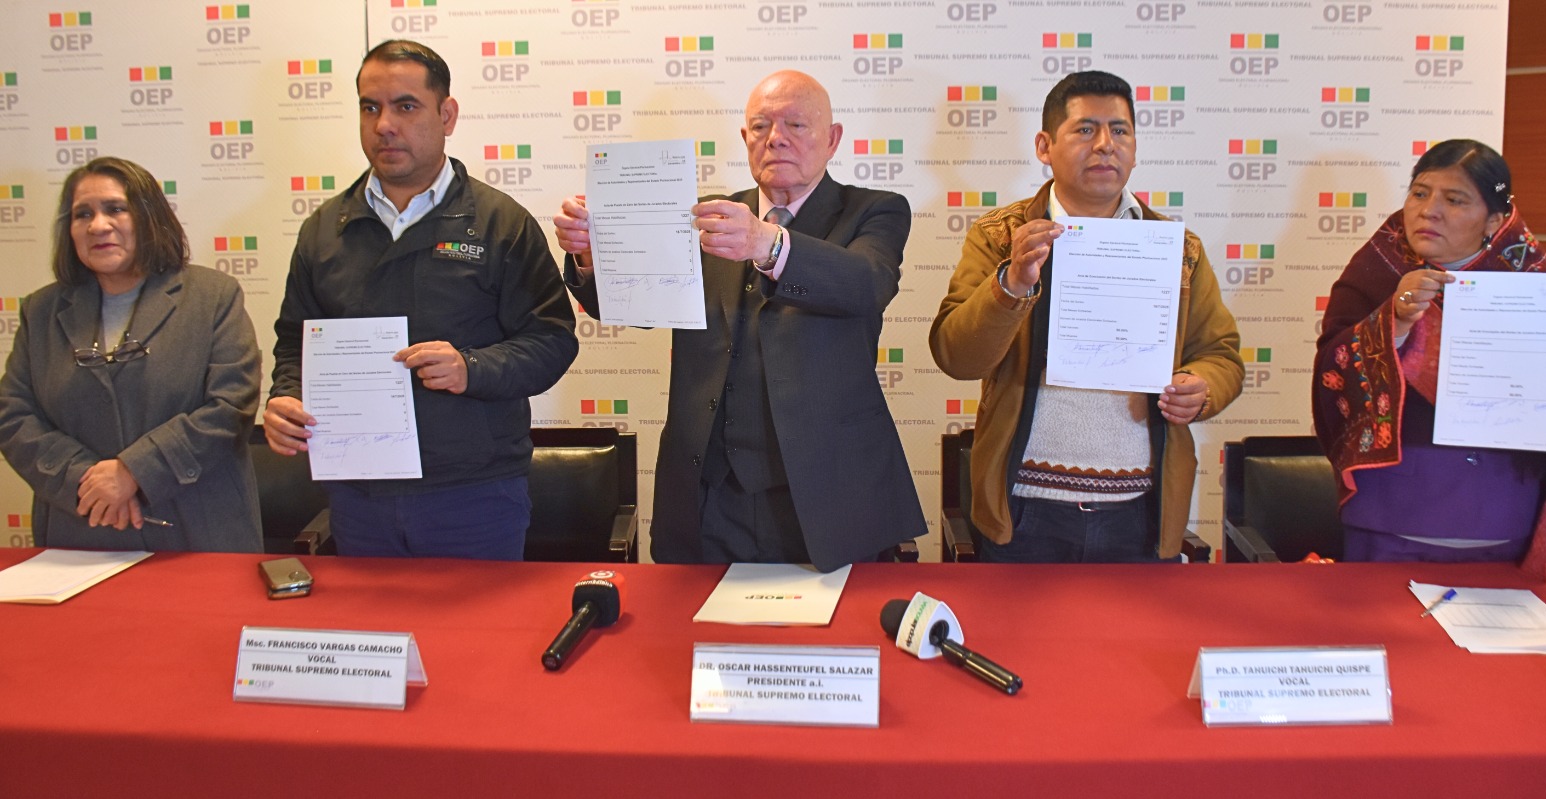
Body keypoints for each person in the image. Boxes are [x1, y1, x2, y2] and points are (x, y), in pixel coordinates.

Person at [553, 70, 922, 572]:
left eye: (796, 124)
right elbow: (635, 303)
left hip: (827, 492)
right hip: (708, 494)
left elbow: (867, 284)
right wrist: (593, 257)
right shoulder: (706, 217)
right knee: (696, 621)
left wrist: (768, 244)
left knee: (834, 624)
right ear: (745, 138)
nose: (777, 138)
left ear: (833, 139)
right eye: (761, 126)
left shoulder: (874, 210)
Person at [265, 40, 577, 560]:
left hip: (474, 496)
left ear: (446, 115)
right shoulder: (323, 230)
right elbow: (294, 347)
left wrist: (470, 368)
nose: (385, 124)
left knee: (479, 619)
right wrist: (286, 398)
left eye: (406, 106)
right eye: (370, 107)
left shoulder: (500, 223)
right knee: (371, 617)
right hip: (359, 497)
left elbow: (552, 341)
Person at [929, 71, 1242, 563]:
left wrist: (1202, 387)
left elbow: (1221, 355)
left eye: (1119, 131)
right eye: (1085, 129)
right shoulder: (1002, 236)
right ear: (1044, 146)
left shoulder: (1178, 249)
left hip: (1140, 512)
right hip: (1024, 510)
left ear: (1135, 147)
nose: (1105, 145)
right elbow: (956, 355)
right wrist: (1011, 283)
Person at [1314, 139, 1546, 572]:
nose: (1429, 210)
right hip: (1393, 517)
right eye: (1419, 193)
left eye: (1455, 200)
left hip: (1506, 518)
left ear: (1495, 220)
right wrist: (1394, 321)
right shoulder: (1376, 274)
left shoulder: (1532, 283)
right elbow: (1330, 376)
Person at [0, 156, 263, 552]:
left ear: (149, 216)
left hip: (198, 532)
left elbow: (232, 406)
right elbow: (13, 415)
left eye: (115, 209)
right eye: (83, 214)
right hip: (84, 527)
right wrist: (87, 480)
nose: (98, 225)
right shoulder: (41, 310)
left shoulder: (213, 297)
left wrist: (134, 472)